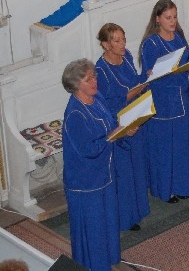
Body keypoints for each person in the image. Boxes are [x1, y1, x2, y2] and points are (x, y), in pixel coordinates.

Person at [62, 58, 136, 271]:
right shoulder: (75, 114)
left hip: (104, 174)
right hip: (86, 182)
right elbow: (88, 149)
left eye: (94, 76)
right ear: (76, 85)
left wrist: (125, 130)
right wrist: (114, 135)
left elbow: (111, 123)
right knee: (93, 227)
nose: (95, 81)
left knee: (107, 221)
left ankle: (109, 259)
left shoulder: (97, 98)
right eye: (88, 79)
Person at [139, 0, 189, 203]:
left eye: (175, 17)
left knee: (181, 145)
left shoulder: (179, 38)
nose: (172, 21)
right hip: (163, 103)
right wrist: (184, 75)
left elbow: (187, 64)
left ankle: (182, 185)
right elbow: (153, 77)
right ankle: (166, 189)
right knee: (164, 149)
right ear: (158, 19)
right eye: (168, 18)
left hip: (181, 99)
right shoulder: (151, 44)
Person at [95, 23, 149, 232]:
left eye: (123, 39)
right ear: (105, 44)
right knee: (123, 173)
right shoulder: (101, 70)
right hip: (118, 124)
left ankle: (139, 210)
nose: (122, 44)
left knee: (137, 167)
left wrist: (147, 77)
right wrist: (122, 126)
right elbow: (106, 103)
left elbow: (135, 82)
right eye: (117, 41)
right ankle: (125, 218)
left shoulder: (126, 57)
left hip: (135, 117)